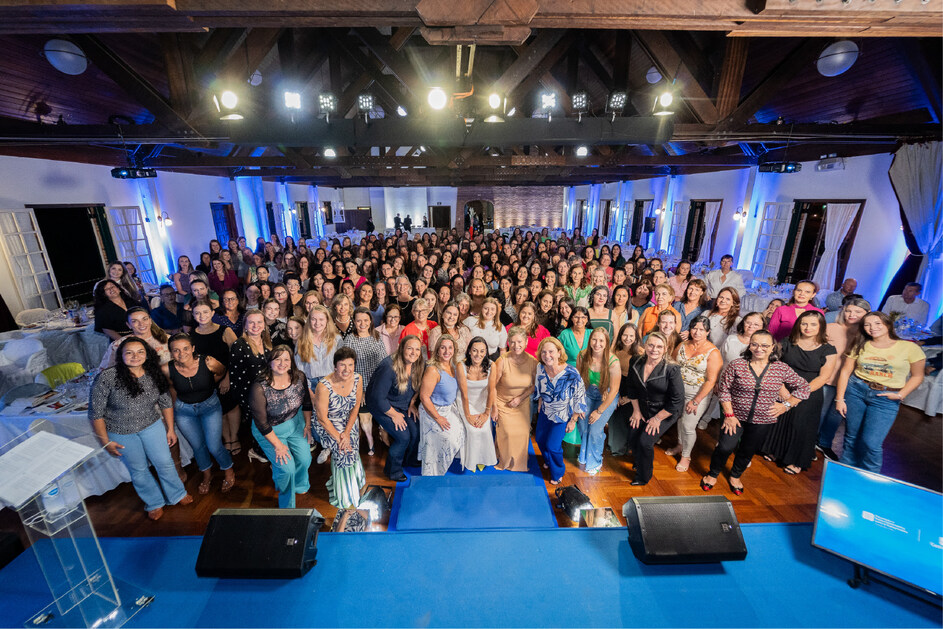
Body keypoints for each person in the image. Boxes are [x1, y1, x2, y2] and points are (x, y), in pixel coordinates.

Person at [89, 337, 192, 521]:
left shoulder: (154, 373)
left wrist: (170, 429)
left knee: (164, 462)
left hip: (151, 425)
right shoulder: (107, 377)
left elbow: (166, 402)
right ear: (121, 356)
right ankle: (154, 502)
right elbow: (96, 413)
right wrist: (105, 442)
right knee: (139, 469)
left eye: (140, 352)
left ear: (147, 354)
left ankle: (177, 494)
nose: (135, 356)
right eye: (129, 352)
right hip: (120, 431)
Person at [700, 330, 810, 494]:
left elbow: (804, 387)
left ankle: (735, 476)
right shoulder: (737, 365)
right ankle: (713, 474)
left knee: (747, 450)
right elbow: (724, 390)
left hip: (763, 421)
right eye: (755, 344)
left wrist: (786, 405)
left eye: (765, 345)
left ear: (773, 347)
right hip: (735, 417)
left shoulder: (781, 368)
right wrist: (729, 415)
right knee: (724, 447)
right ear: (749, 345)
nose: (759, 348)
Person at [835, 311, 925, 473]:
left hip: (886, 397)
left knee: (871, 443)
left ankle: (871, 482)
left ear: (888, 324)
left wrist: (900, 394)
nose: (872, 328)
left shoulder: (909, 347)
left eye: (877, 323)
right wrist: (839, 399)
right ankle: (845, 474)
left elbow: (918, 376)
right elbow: (845, 371)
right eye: (867, 325)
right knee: (851, 438)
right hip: (856, 390)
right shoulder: (860, 344)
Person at [761, 311, 838, 474]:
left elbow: (824, 377)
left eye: (813, 324)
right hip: (783, 384)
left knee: (800, 423)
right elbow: (773, 365)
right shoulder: (787, 342)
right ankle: (774, 450)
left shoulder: (828, 349)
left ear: (821, 327)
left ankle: (796, 459)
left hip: (810, 389)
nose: (807, 328)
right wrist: (781, 387)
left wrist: (798, 395)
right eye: (804, 323)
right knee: (779, 418)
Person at [166, 334, 235, 495]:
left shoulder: (207, 361)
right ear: (170, 352)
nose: (181, 353)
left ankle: (229, 470)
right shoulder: (166, 369)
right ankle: (207, 474)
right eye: (176, 350)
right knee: (197, 446)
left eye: (185, 349)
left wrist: (206, 385)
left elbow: (221, 372)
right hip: (184, 411)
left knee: (214, 445)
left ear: (193, 348)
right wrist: (177, 408)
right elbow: (172, 388)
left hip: (210, 406)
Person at [249, 345, 313, 508]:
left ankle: (299, 484)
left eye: (286, 359)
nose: (282, 363)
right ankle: (287, 504)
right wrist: (278, 446)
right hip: (270, 431)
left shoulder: (299, 377)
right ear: (270, 362)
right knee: (287, 469)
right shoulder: (259, 386)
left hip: (295, 422)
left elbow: (306, 403)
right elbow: (261, 423)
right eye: (277, 359)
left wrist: (307, 425)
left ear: (291, 362)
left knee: (305, 459)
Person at [625, 331, 685, 486]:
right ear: (645, 345)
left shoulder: (672, 369)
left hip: (666, 412)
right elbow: (631, 388)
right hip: (642, 407)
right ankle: (640, 462)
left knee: (645, 441)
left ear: (665, 349)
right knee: (632, 436)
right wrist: (636, 411)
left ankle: (643, 476)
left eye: (659, 346)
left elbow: (677, 401)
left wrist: (657, 419)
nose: (654, 349)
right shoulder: (636, 361)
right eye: (651, 345)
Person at [817, 297, 871, 459]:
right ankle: (809, 442)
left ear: (867, 314)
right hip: (826, 377)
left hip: (849, 381)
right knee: (819, 412)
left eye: (857, 312)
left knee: (837, 415)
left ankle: (825, 443)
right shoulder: (831, 327)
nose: (851, 314)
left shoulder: (867, 334)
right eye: (848, 311)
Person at [668, 317, 722, 473]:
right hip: (678, 390)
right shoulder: (682, 345)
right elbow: (672, 364)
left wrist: (696, 401)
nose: (697, 332)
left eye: (701, 329)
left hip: (698, 393)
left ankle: (686, 456)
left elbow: (711, 381)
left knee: (688, 425)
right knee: (679, 419)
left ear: (708, 332)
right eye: (694, 328)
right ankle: (680, 445)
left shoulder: (713, 352)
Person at [366, 336, 424, 482]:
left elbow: (418, 386)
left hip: (403, 404)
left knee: (416, 432)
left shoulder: (418, 364)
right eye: (410, 348)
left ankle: (409, 461)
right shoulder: (389, 366)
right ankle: (393, 471)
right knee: (403, 437)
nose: (414, 352)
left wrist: (412, 403)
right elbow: (378, 398)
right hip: (383, 406)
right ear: (401, 348)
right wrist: (394, 415)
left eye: (417, 349)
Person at [315, 346, 365, 508]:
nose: (347, 369)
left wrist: (347, 432)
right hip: (329, 422)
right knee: (344, 452)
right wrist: (340, 438)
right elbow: (322, 418)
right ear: (335, 366)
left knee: (353, 447)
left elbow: (356, 407)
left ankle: (356, 481)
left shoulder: (358, 378)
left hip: (349, 420)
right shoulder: (323, 386)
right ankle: (345, 496)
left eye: (350, 365)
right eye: (342, 365)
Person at [533, 337, 587, 485]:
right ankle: (548, 461)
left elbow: (579, 396)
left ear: (558, 352)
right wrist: (540, 401)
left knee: (553, 445)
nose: (547, 355)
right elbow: (539, 385)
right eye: (543, 352)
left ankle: (557, 472)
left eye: (551, 351)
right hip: (545, 410)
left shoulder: (571, 372)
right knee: (540, 440)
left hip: (563, 415)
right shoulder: (540, 367)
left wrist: (573, 420)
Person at [489, 326, 537, 472]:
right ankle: (504, 459)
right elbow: (492, 386)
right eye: (513, 342)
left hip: (521, 403)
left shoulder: (533, 362)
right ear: (508, 342)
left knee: (523, 433)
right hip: (502, 403)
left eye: (520, 342)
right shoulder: (502, 361)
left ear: (526, 342)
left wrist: (520, 398)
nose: (517, 345)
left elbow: (534, 385)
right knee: (508, 433)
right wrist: (494, 408)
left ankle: (519, 462)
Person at [341, 308, 387, 456]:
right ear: (354, 322)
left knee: (382, 413)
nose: (362, 323)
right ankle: (370, 442)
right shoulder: (349, 340)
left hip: (377, 385)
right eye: (359, 320)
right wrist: (359, 391)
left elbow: (384, 363)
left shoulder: (377, 336)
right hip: (358, 386)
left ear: (370, 321)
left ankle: (383, 432)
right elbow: (347, 369)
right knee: (365, 417)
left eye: (366, 320)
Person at [418, 335, 467, 476]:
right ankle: (434, 470)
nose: (447, 351)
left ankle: (448, 460)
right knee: (449, 439)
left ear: (454, 350)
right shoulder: (433, 370)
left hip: (449, 408)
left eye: (450, 348)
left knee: (462, 432)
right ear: (438, 350)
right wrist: (438, 418)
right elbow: (424, 396)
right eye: (443, 347)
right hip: (432, 410)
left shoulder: (453, 366)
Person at [576, 328, 621, 476]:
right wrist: (580, 405)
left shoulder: (613, 362)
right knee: (583, 425)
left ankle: (595, 460)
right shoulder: (582, 356)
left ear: (606, 343)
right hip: (588, 393)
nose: (597, 343)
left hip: (606, 395)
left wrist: (599, 411)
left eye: (601, 340)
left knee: (595, 429)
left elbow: (614, 390)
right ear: (590, 341)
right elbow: (579, 382)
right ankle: (584, 453)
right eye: (594, 339)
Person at [229, 311, 272, 457]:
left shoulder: (268, 342)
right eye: (251, 322)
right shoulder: (239, 345)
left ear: (264, 325)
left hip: (269, 392)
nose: (256, 326)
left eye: (259, 322)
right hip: (250, 395)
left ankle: (269, 450)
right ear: (245, 326)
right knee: (258, 425)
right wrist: (245, 401)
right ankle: (258, 452)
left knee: (269, 423)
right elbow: (235, 377)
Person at [460, 337, 498, 471]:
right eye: (475, 351)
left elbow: (491, 390)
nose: (478, 354)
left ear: (486, 352)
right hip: (466, 402)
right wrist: (468, 415)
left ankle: (482, 459)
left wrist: (487, 412)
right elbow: (464, 395)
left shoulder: (492, 365)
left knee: (484, 429)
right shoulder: (461, 366)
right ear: (469, 351)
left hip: (483, 401)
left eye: (482, 351)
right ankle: (471, 461)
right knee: (472, 430)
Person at [99, 307, 171, 368]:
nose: (141, 324)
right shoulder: (118, 345)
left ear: (150, 321)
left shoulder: (168, 339)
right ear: (128, 325)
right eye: (134, 321)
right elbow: (106, 371)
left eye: (144, 319)